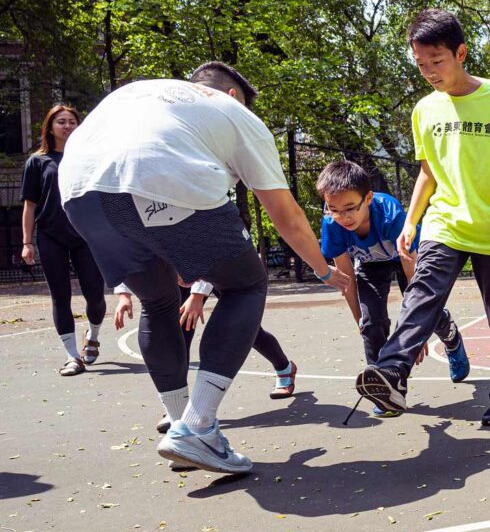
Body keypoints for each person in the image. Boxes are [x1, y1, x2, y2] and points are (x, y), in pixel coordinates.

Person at [59, 62, 349, 474]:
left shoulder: (143, 92)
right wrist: (322, 269)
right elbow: (286, 216)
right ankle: (196, 428)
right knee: (245, 284)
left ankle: (179, 426)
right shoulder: (234, 112)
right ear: (234, 96)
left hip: (79, 193)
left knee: (158, 303)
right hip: (159, 178)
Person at [354, 9, 490, 425]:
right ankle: (393, 369)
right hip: (445, 221)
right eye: (420, 64)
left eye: (437, 61)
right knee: (421, 294)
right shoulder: (424, 110)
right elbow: (428, 170)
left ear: (461, 53)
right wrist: (412, 220)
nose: (429, 71)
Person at [317, 159, 469, 417]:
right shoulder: (333, 226)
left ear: (368, 198)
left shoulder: (389, 213)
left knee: (426, 309)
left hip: (405, 261)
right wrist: (361, 323)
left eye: (350, 208)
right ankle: (386, 391)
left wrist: (415, 333)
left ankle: (451, 336)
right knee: (372, 325)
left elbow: (413, 276)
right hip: (369, 266)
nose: (343, 217)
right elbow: (346, 280)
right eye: (334, 209)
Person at [113, 278, 299, 433]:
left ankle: (284, 367)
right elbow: (128, 250)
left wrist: (197, 295)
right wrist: (124, 293)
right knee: (180, 330)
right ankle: (178, 405)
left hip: (221, 262)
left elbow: (206, 246)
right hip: (183, 266)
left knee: (245, 330)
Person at [20, 105, 107, 376]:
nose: (68, 126)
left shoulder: (88, 158)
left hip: (85, 235)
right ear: (50, 127)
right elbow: (30, 205)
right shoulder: (37, 161)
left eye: (72, 121)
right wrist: (27, 242)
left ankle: (92, 337)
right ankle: (72, 357)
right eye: (61, 122)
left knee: (95, 295)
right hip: (50, 236)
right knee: (61, 297)